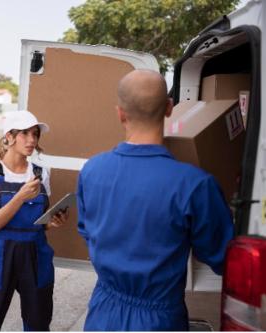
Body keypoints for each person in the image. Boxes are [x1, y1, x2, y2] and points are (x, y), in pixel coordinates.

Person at [76, 69, 234, 331]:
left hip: (102, 313)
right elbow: (223, 258)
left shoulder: (91, 170)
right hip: (158, 320)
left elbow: (88, 231)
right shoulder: (195, 184)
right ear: (170, 108)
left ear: (120, 113)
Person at [0, 110, 67, 331]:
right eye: (25, 134)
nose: (32, 140)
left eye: (35, 134)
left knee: (38, 323)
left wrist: (52, 222)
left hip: (35, 256)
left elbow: (37, 224)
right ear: (9, 137)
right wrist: (20, 196)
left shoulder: (42, 173)